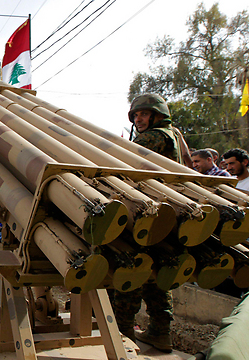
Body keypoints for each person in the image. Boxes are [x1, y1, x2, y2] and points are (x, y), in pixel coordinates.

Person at [115, 93, 181, 353]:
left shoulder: (155, 136)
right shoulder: (175, 135)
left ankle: (123, 332)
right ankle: (160, 332)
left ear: (157, 115)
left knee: (132, 269)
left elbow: (122, 159)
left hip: (148, 211)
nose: (139, 120)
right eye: (136, 116)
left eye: (144, 114)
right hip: (166, 212)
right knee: (155, 275)